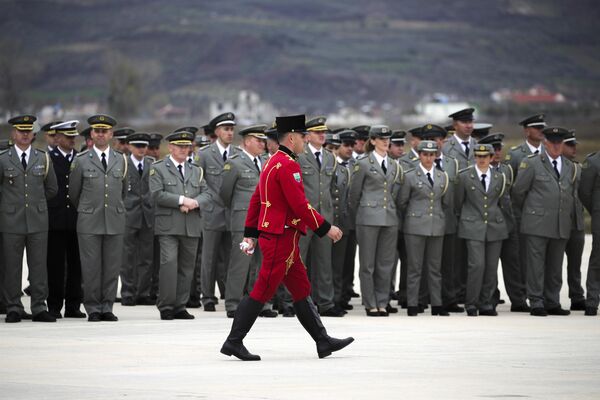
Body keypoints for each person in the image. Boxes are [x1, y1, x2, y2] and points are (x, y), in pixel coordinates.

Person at [220, 114, 352, 361]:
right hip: (280, 238)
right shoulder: (288, 164)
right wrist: (326, 228)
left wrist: (250, 234)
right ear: (292, 137)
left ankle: (322, 341)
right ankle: (233, 341)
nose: (306, 139)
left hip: (284, 238)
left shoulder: (272, 162)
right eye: (303, 136)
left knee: (302, 289)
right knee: (262, 290)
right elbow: (300, 205)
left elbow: (256, 200)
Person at [69, 114, 127, 322]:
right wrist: (89, 209)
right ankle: (93, 307)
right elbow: (75, 193)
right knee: (91, 267)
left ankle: (107, 306)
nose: (101, 134)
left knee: (111, 267)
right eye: (97, 131)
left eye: (105, 131)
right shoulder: (81, 160)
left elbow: (123, 191)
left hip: (114, 219)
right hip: (89, 221)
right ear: (92, 134)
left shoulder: (121, 159)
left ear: (111, 134)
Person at [512, 127, 575, 316]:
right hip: (536, 223)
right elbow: (518, 192)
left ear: (563, 144)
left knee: (555, 266)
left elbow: (571, 192)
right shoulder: (531, 163)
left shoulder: (569, 165)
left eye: (559, 142)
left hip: (559, 223)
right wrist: (533, 212)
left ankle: (552, 301)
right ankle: (537, 301)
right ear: (545, 143)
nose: (556, 146)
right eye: (552, 142)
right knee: (536, 265)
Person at [1, 115, 58, 323]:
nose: (24, 135)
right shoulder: (3, 158)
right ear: (13, 134)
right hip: (11, 221)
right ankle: (13, 306)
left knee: (38, 266)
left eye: (28, 131)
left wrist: (36, 202)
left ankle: (39, 307)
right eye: (20, 131)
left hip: (37, 220)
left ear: (33, 134)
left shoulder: (42, 157)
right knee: (12, 266)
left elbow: (52, 188)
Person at [149, 130, 212, 320]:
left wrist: (194, 203)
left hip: (191, 225)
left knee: (187, 267)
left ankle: (180, 305)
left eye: (187, 146)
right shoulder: (158, 168)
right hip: (168, 226)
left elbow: (208, 194)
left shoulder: (196, 170)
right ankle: (166, 305)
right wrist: (182, 200)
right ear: (171, 147)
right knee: (168, 264)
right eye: (180, 146)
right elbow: (157, 194)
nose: (184, 149)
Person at [220, 125, 277, 318]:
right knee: (241, 263)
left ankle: (262, 304)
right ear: (246, 141)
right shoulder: (234, 163)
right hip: (244, 222)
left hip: (266, 221)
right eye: (258, 140)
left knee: (263, 265)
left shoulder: (267, 162)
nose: (263, 144)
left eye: (264, 140)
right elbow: (225, 194)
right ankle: (233, 304)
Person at [348, 125, 403, 316]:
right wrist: (362, 213)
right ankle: (370, 302)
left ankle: (382, 301)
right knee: (368, 264)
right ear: (372, 141)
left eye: (387, 138)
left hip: (389, 217)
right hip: (368, 217)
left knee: (385, 263)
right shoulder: (363, 163)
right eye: (381, 138)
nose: (385, 141)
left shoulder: (395, 165)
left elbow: (396, 192)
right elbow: (354, 194)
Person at [297, 116, 344, 317]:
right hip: (304, 217)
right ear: (307, 136)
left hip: (324, 217)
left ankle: (325, 302)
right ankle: (294, 301)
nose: (322, 135)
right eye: (317, 132)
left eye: (323, 132)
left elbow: (332, 189)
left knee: (324, 262)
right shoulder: (298, 156)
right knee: (298, 261)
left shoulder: (330, 157)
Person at [455, 144, 509, 316]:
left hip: (494, 225)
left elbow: (502, 202)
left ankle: (486, 302)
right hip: (472, 226)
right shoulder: (464, 176)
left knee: (491, 267)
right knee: (477, 265)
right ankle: (471, 303)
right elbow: (457, 203)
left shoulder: (500, 177)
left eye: (485, 156)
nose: (482, 159)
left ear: (492, 157)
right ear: (474, 157)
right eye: (478, 156)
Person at [478, 133, 529, 312]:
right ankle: (490, 298)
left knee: (513, 264)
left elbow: (513, 195)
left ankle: (518, 299)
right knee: (489, 266)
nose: (498, 152)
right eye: (494, 149)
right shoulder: (476, 171)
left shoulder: (507, 170)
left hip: (508, 223)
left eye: (499, 148)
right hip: (488, 224)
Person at [399, 140, 449, 316]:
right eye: (425, 154)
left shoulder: (443, 176)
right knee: (414, 267)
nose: (428, 158)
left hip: (436, 225)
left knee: (435, 268)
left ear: (436, 156)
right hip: (415, 226)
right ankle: (412, 304)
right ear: (419, 155)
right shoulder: (410, 175)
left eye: (432, 154)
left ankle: (437, 304)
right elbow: (402, 202)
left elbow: (446, 202)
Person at [197, 112, 239, 311]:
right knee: (209, 257)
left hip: (231, 213)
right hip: (212, 212)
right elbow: (198, 180)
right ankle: (207, 297)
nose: (230, 133)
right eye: (226, 129)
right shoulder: (204, 154)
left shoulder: (238, 154)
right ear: (217, 132)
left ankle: (230, 294)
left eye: (232, 129)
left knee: (231, 257)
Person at [46, 120, 85, 319]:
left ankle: (73, 305)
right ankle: (54, 305)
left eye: (73, 137)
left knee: (76, 265)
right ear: (57, 138)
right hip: (55, 218)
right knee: (55, 265)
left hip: (77, 219)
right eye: (68, 137)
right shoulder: (48, 158)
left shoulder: (81, 158)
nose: (72, 140)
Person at [423, 124, 463, 313]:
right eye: (431, 140)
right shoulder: (418, 163)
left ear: (443, 141)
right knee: (424, 263)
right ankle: (423, 298)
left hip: (447, 219)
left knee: (449, 262)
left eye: (438, 140)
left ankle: (449, 298)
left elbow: (456, 193)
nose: (435, 143)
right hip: (424, 220)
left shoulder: (452, 163)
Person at [120, 132, 155, 306]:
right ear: (130, 147)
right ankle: (127, 292)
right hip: (128, 214)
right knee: (127, 257)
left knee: (146, 257)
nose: (142, 149)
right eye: (138, 146)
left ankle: (143, 292)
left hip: (148, 215)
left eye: (144, 146)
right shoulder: (123, 163)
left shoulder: (152, 164)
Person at [562, 131, 586, 311]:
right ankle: (549, 296)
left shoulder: (578, 168)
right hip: (557, 222)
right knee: (551, 265)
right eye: (570, 145)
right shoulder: (548, 166)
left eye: (574, 145)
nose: (574, 148)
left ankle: (577, 295)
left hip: (576, 222)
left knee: (575, 264)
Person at [580, 148, 600, 316]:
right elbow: (584, 192)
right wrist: (596, 211)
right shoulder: (593, 162)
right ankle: (592, 301)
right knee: (598, 257)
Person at [505, 114, 546, 179]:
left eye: (542, 128)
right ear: (527, 131)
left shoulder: (549, 152)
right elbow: (509, 180)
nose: (541, 131)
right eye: (537, 128)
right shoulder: (515, 154)